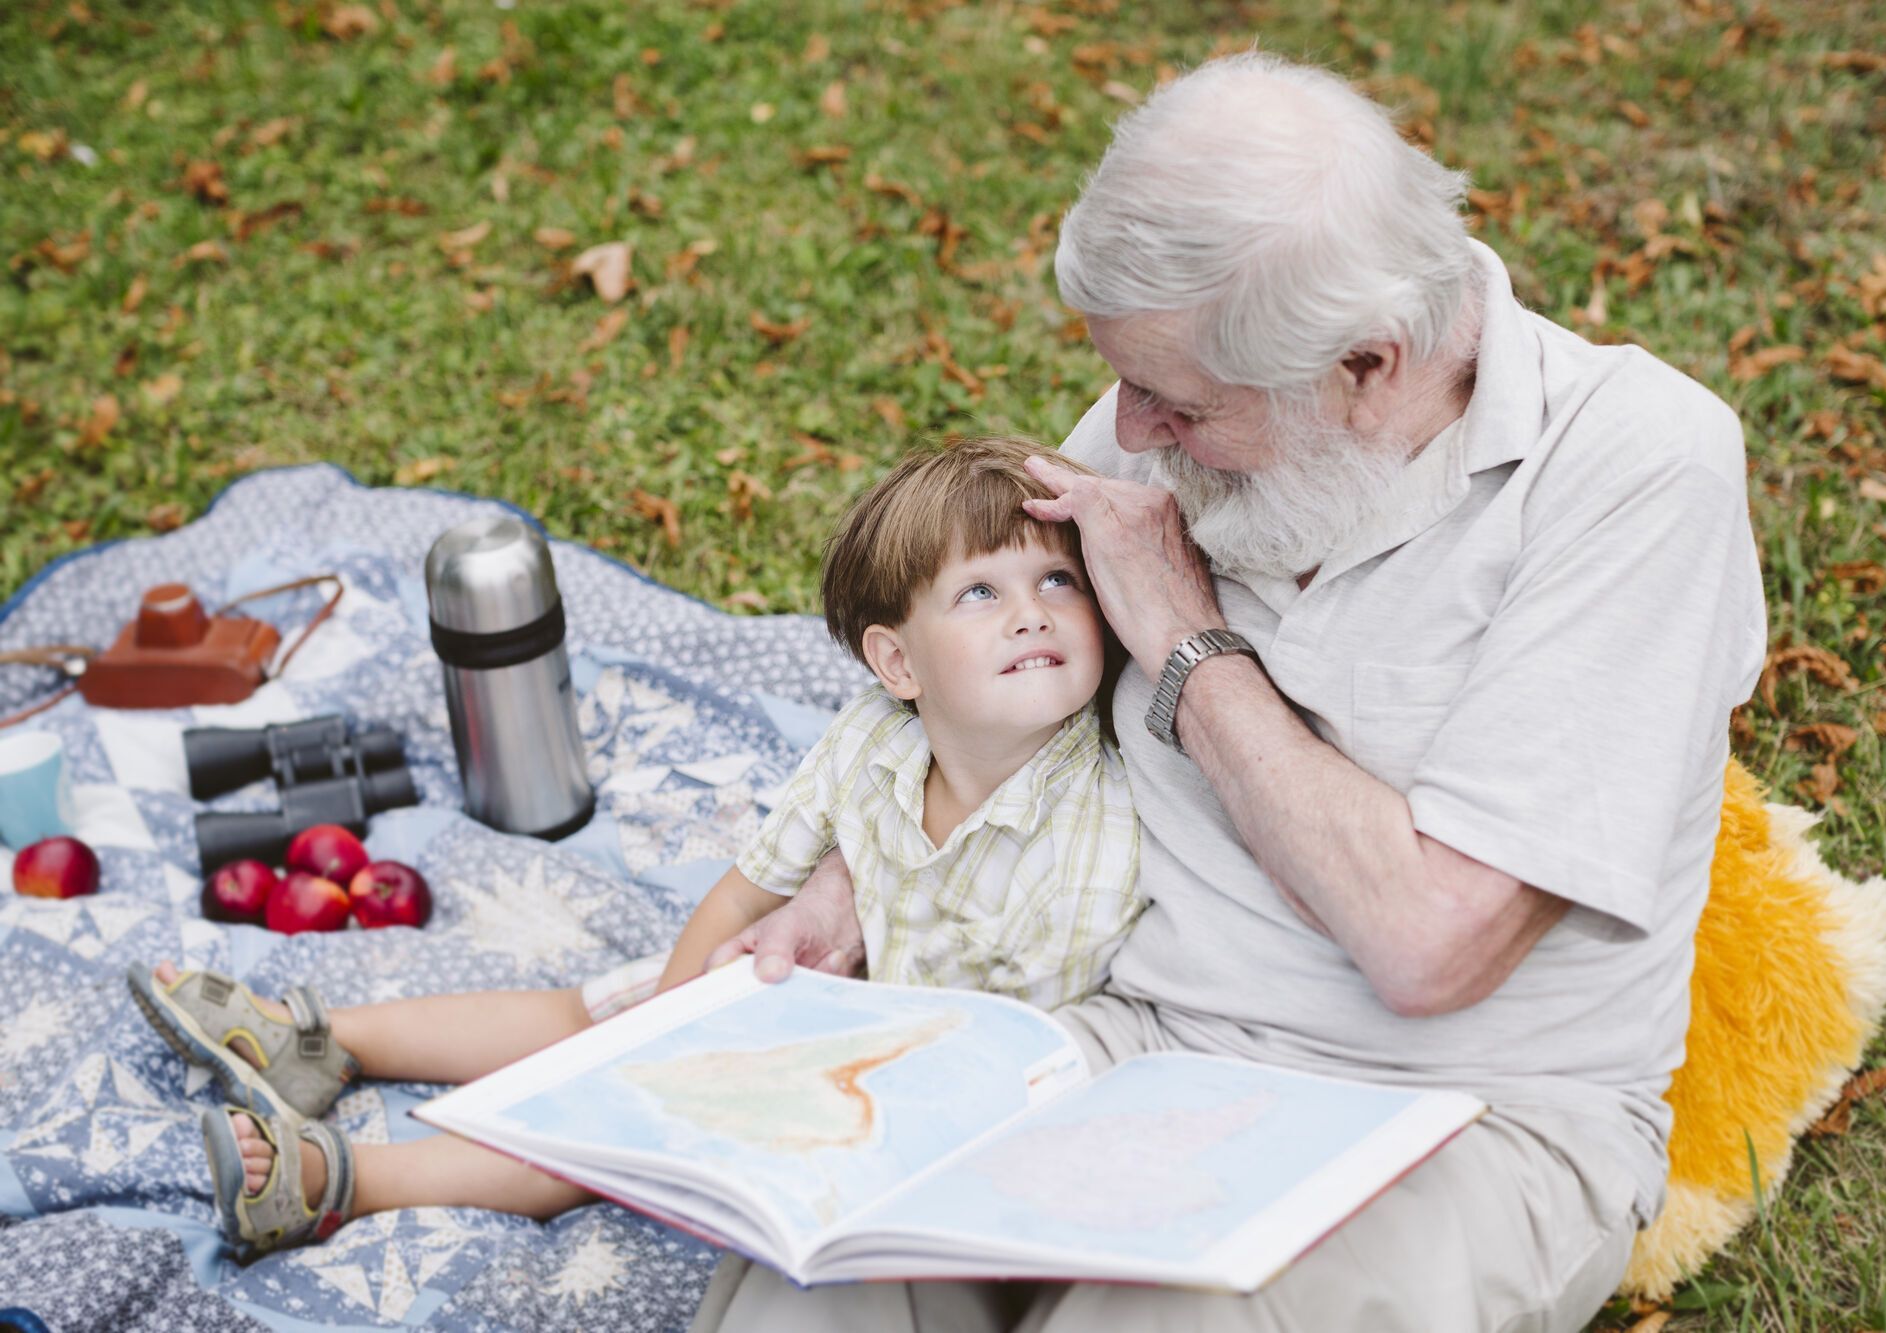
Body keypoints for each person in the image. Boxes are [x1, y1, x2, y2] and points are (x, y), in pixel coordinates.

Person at [689, 53, 1768, 1333]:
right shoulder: (1187, 409)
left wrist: (1192, 647)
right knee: (816, 1245)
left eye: (1176, 403)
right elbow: (1006, 680)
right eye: (1124, 380)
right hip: (1122, 1030)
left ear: (1366, 364)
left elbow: (1432, 943)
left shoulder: (1634, 469)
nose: (1126, 430)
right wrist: (850, 880)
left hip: (1457, 1114)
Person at [130, 435, 1145, 1258]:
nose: (1030, 614)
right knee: (593, 1012)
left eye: (1057, 580)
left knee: (622, 1123)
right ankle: (322, 1040)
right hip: (817, 984)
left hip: (901, 1085)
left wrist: (681, 1072)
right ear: (895, 661)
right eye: (981, 593)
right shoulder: (872, 744)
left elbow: (1015, 1050)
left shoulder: (1089, 820)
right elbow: (749, 889)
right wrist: (667, 1013)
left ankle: (339, 1181)